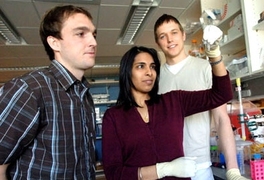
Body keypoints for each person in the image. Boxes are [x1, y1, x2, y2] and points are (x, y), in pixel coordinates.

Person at [102, 45, 233, 180]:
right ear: (127, 72)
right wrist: (162, 170)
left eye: (152, 67)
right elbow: (114, 173)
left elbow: (222, 94)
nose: (149, 72)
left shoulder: (173, 102)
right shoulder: (113, 117)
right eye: (141, 66)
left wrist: (215, 55)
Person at [0, 5, 97, 179]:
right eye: (81, 34)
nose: (93, 42)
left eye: (93, 34)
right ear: (54, 42)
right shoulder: (31, 89)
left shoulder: (84, 96)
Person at [154, 14, 248, 180]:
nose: (169, 39)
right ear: (158, 43)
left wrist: (233, 170)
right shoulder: (154, 78)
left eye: (174, 32)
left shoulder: (206, 68)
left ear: (183, 35)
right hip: (166, 167)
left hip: (200, 167)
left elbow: (221, 119)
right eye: (163, 36)